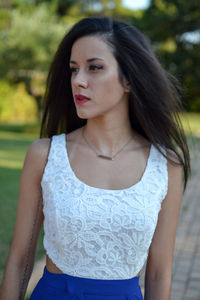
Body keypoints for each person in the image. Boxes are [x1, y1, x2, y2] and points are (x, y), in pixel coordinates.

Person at [0, 16, 190, 300]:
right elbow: (19, 261)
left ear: (129, 79)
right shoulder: (45, 156)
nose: (78, 80)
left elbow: (159, 273)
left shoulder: (165, 165)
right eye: (74, 70)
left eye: (95, 68)